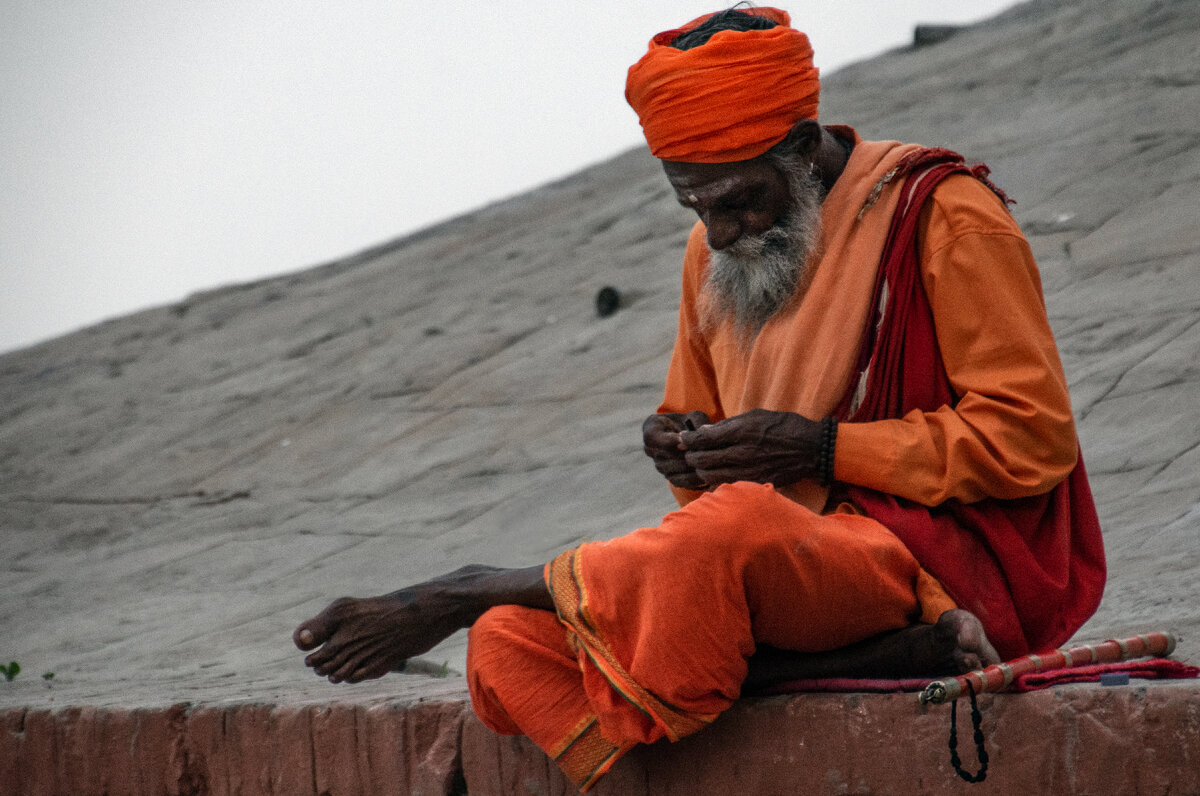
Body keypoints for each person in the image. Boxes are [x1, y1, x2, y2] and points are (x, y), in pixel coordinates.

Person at [294, 7, 1105, 791]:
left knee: (729, 530)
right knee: (509, 642)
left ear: (801, 148)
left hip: (923, 559)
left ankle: (466, 588)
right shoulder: (714, 253)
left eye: (738, 199)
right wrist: (682, 447)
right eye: (697, 206)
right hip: (772, 576)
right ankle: (872, 662)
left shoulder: (943, 215)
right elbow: (705, 470)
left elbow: (1032, 438)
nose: (719, 232)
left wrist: (821, 449)